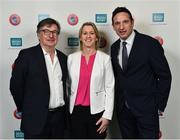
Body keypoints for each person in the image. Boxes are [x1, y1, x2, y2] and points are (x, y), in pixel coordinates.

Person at [111, 7, 172, 139]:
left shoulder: (150, 44)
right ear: (113, 26)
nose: (121, 27)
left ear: (132, 22)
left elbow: (165, 75)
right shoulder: (114, 47)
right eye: (117, 23)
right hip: (124, 112)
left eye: (125, 22)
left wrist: (159, 105)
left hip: (147, 111)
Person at [10, 18, 68, 139]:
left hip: (59, 120)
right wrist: (28, 108)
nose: (51, 35)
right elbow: (15, 86)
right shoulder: (26, 56)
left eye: (55, 32)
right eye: (46, 31)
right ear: (38, 34)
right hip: (35, 119)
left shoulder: (63, 58)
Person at [67, 22, 115, 139]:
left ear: (96, 37)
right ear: (80, 37)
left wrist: (107, 116)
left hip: (97, 112)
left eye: (92, 33)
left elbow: (110, 87)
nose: (88, 36)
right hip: (76, 112)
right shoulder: (71, 58)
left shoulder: (105, 59)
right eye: (85, 33)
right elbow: (67, 86)